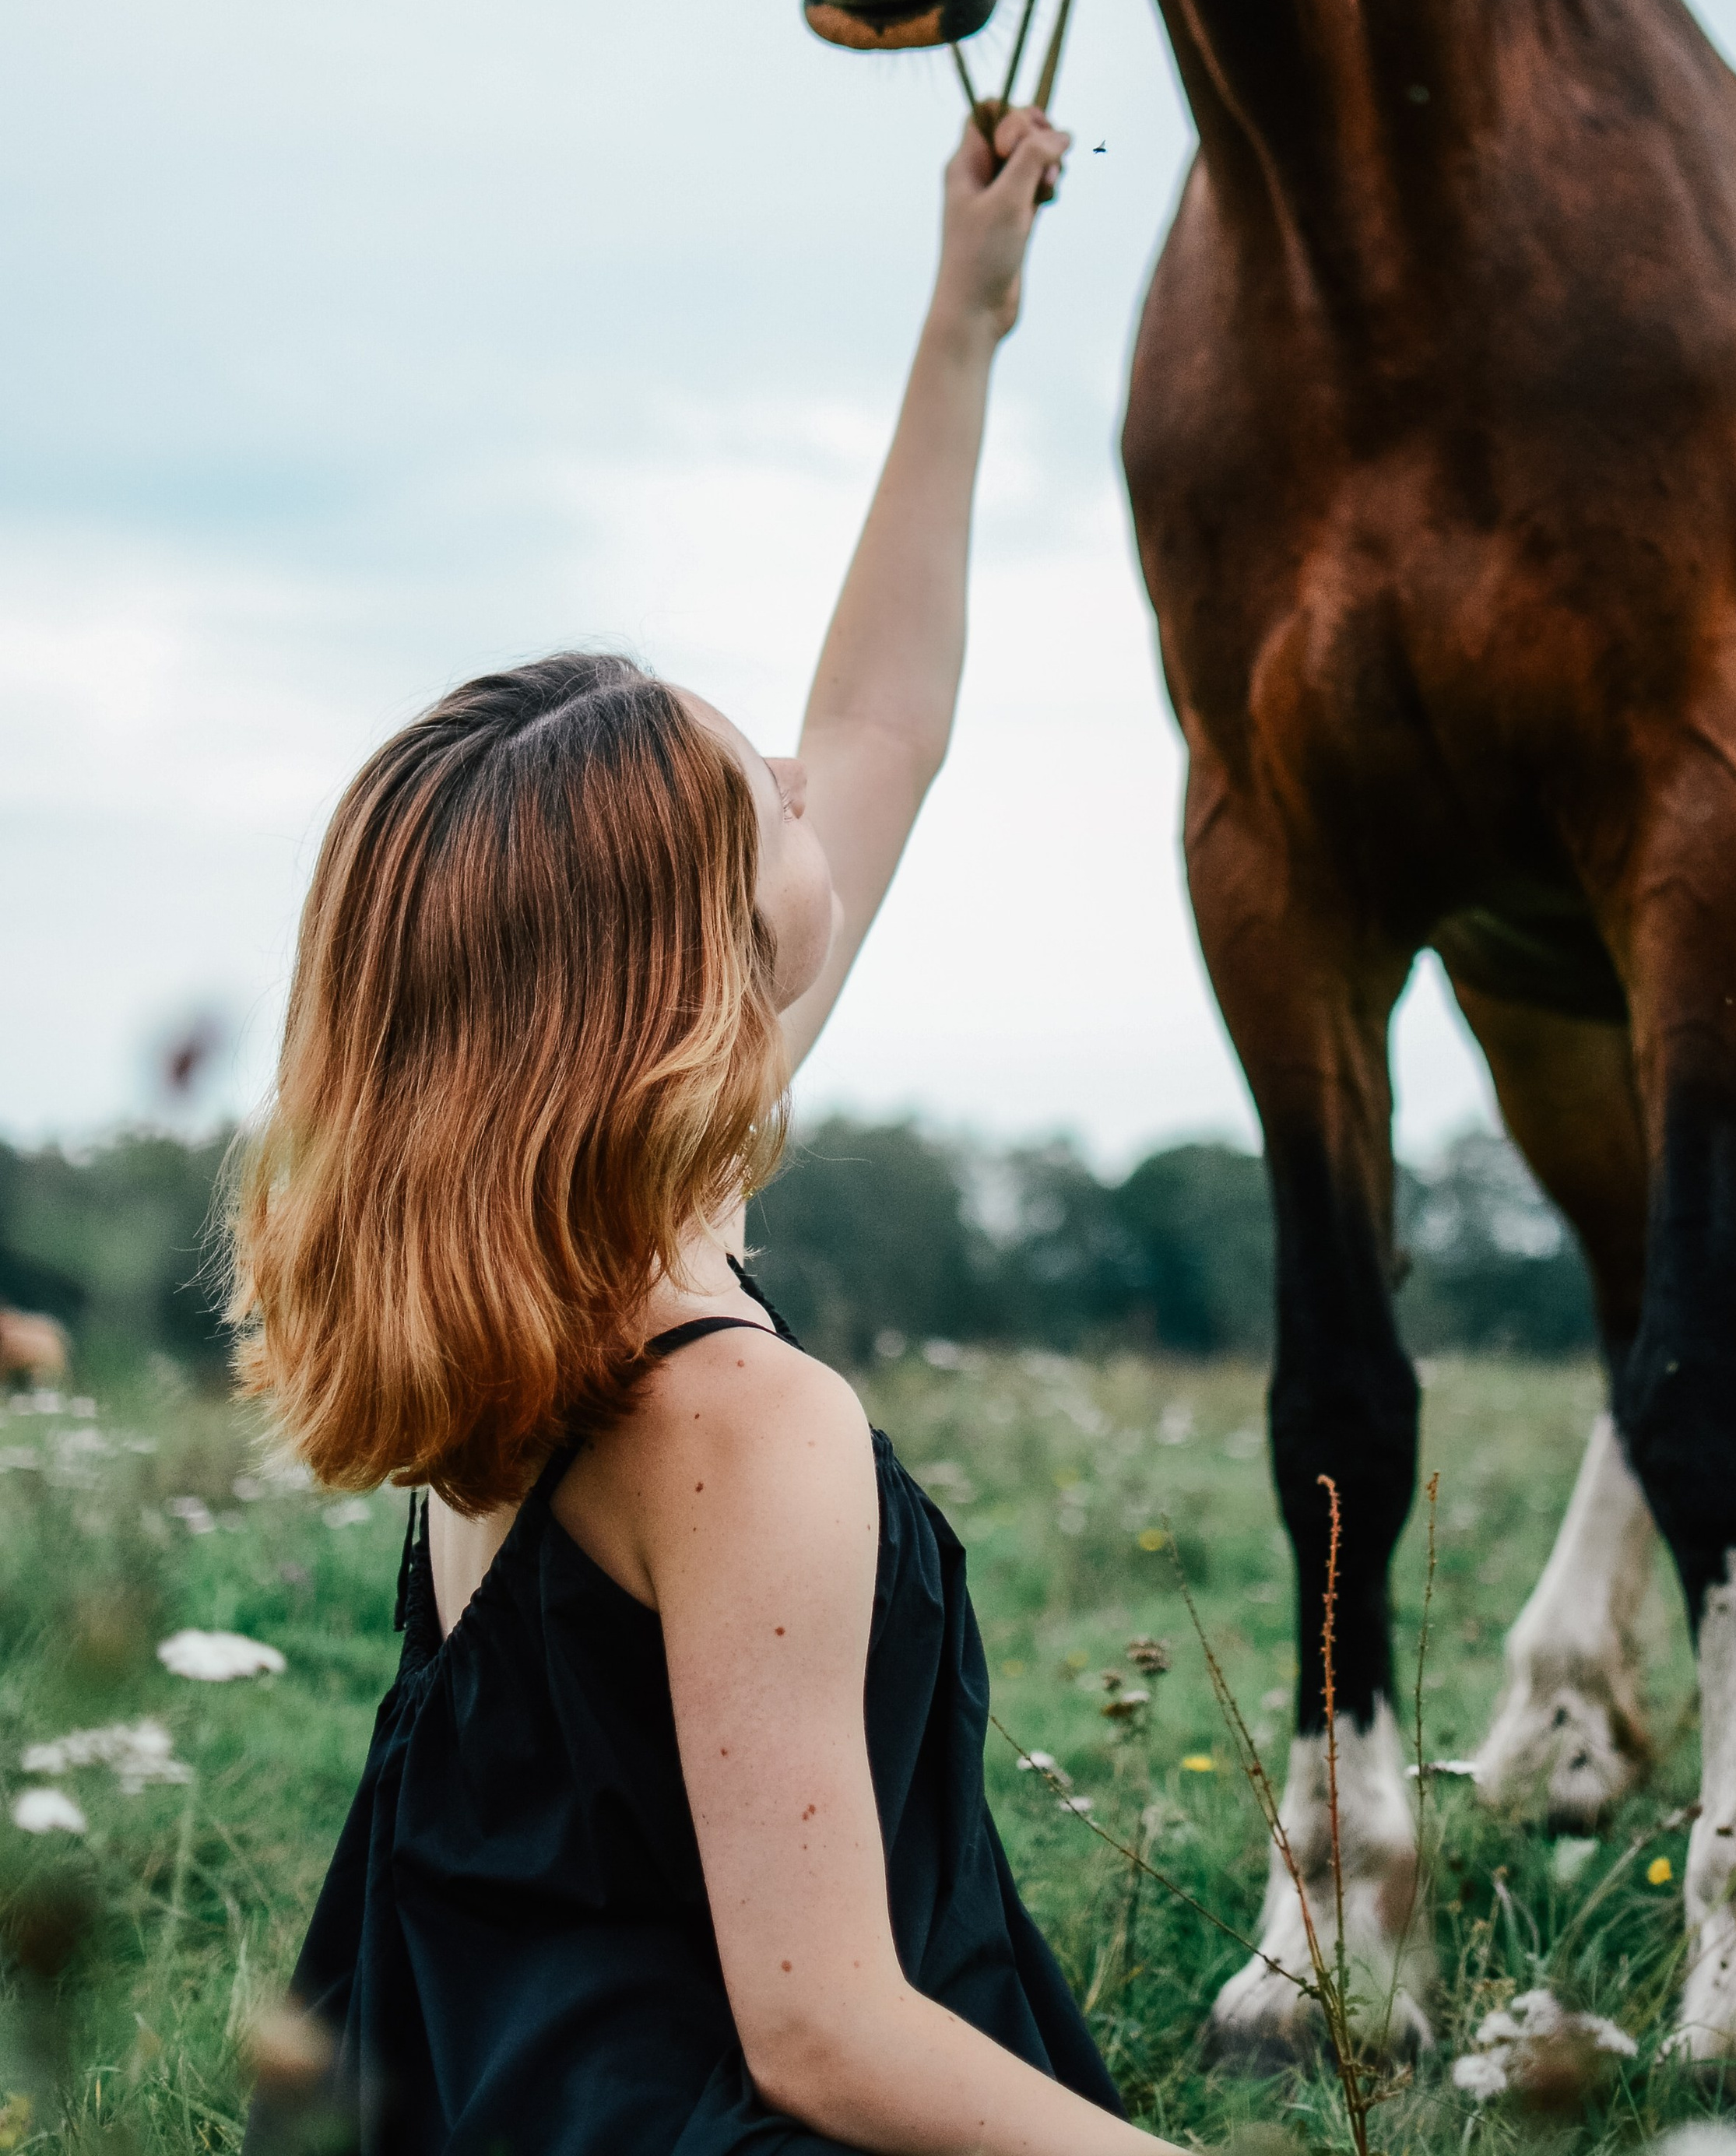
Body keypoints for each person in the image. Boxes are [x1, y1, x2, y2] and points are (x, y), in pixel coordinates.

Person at [232, 107, 1170, 2156]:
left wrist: (965, 320)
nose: (799, 771)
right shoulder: (743, 1420)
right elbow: (825, 2033)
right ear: (691, 966)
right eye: (761, 796)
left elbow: (888, 723)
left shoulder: (550, 1278)